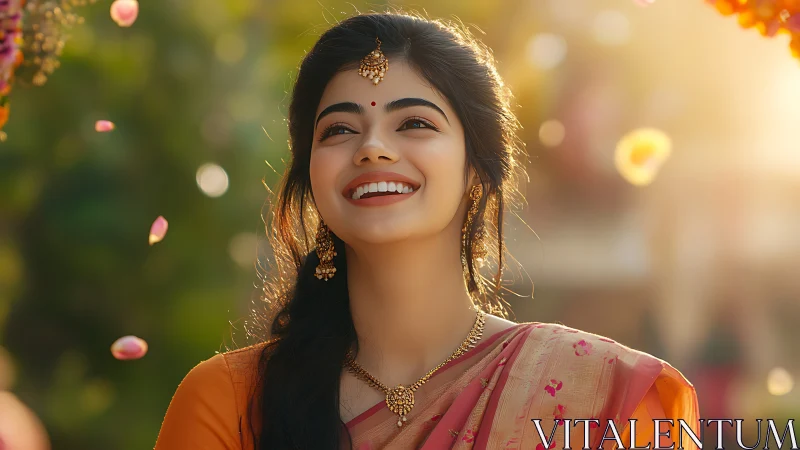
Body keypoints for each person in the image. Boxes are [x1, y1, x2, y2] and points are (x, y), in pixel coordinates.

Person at [153, 11, 699, 450]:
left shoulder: (602, 394)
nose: (373, 147)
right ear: (309, 175)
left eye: (414, 123)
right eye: (340, 129)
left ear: (477, 169)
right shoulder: (231, 402)